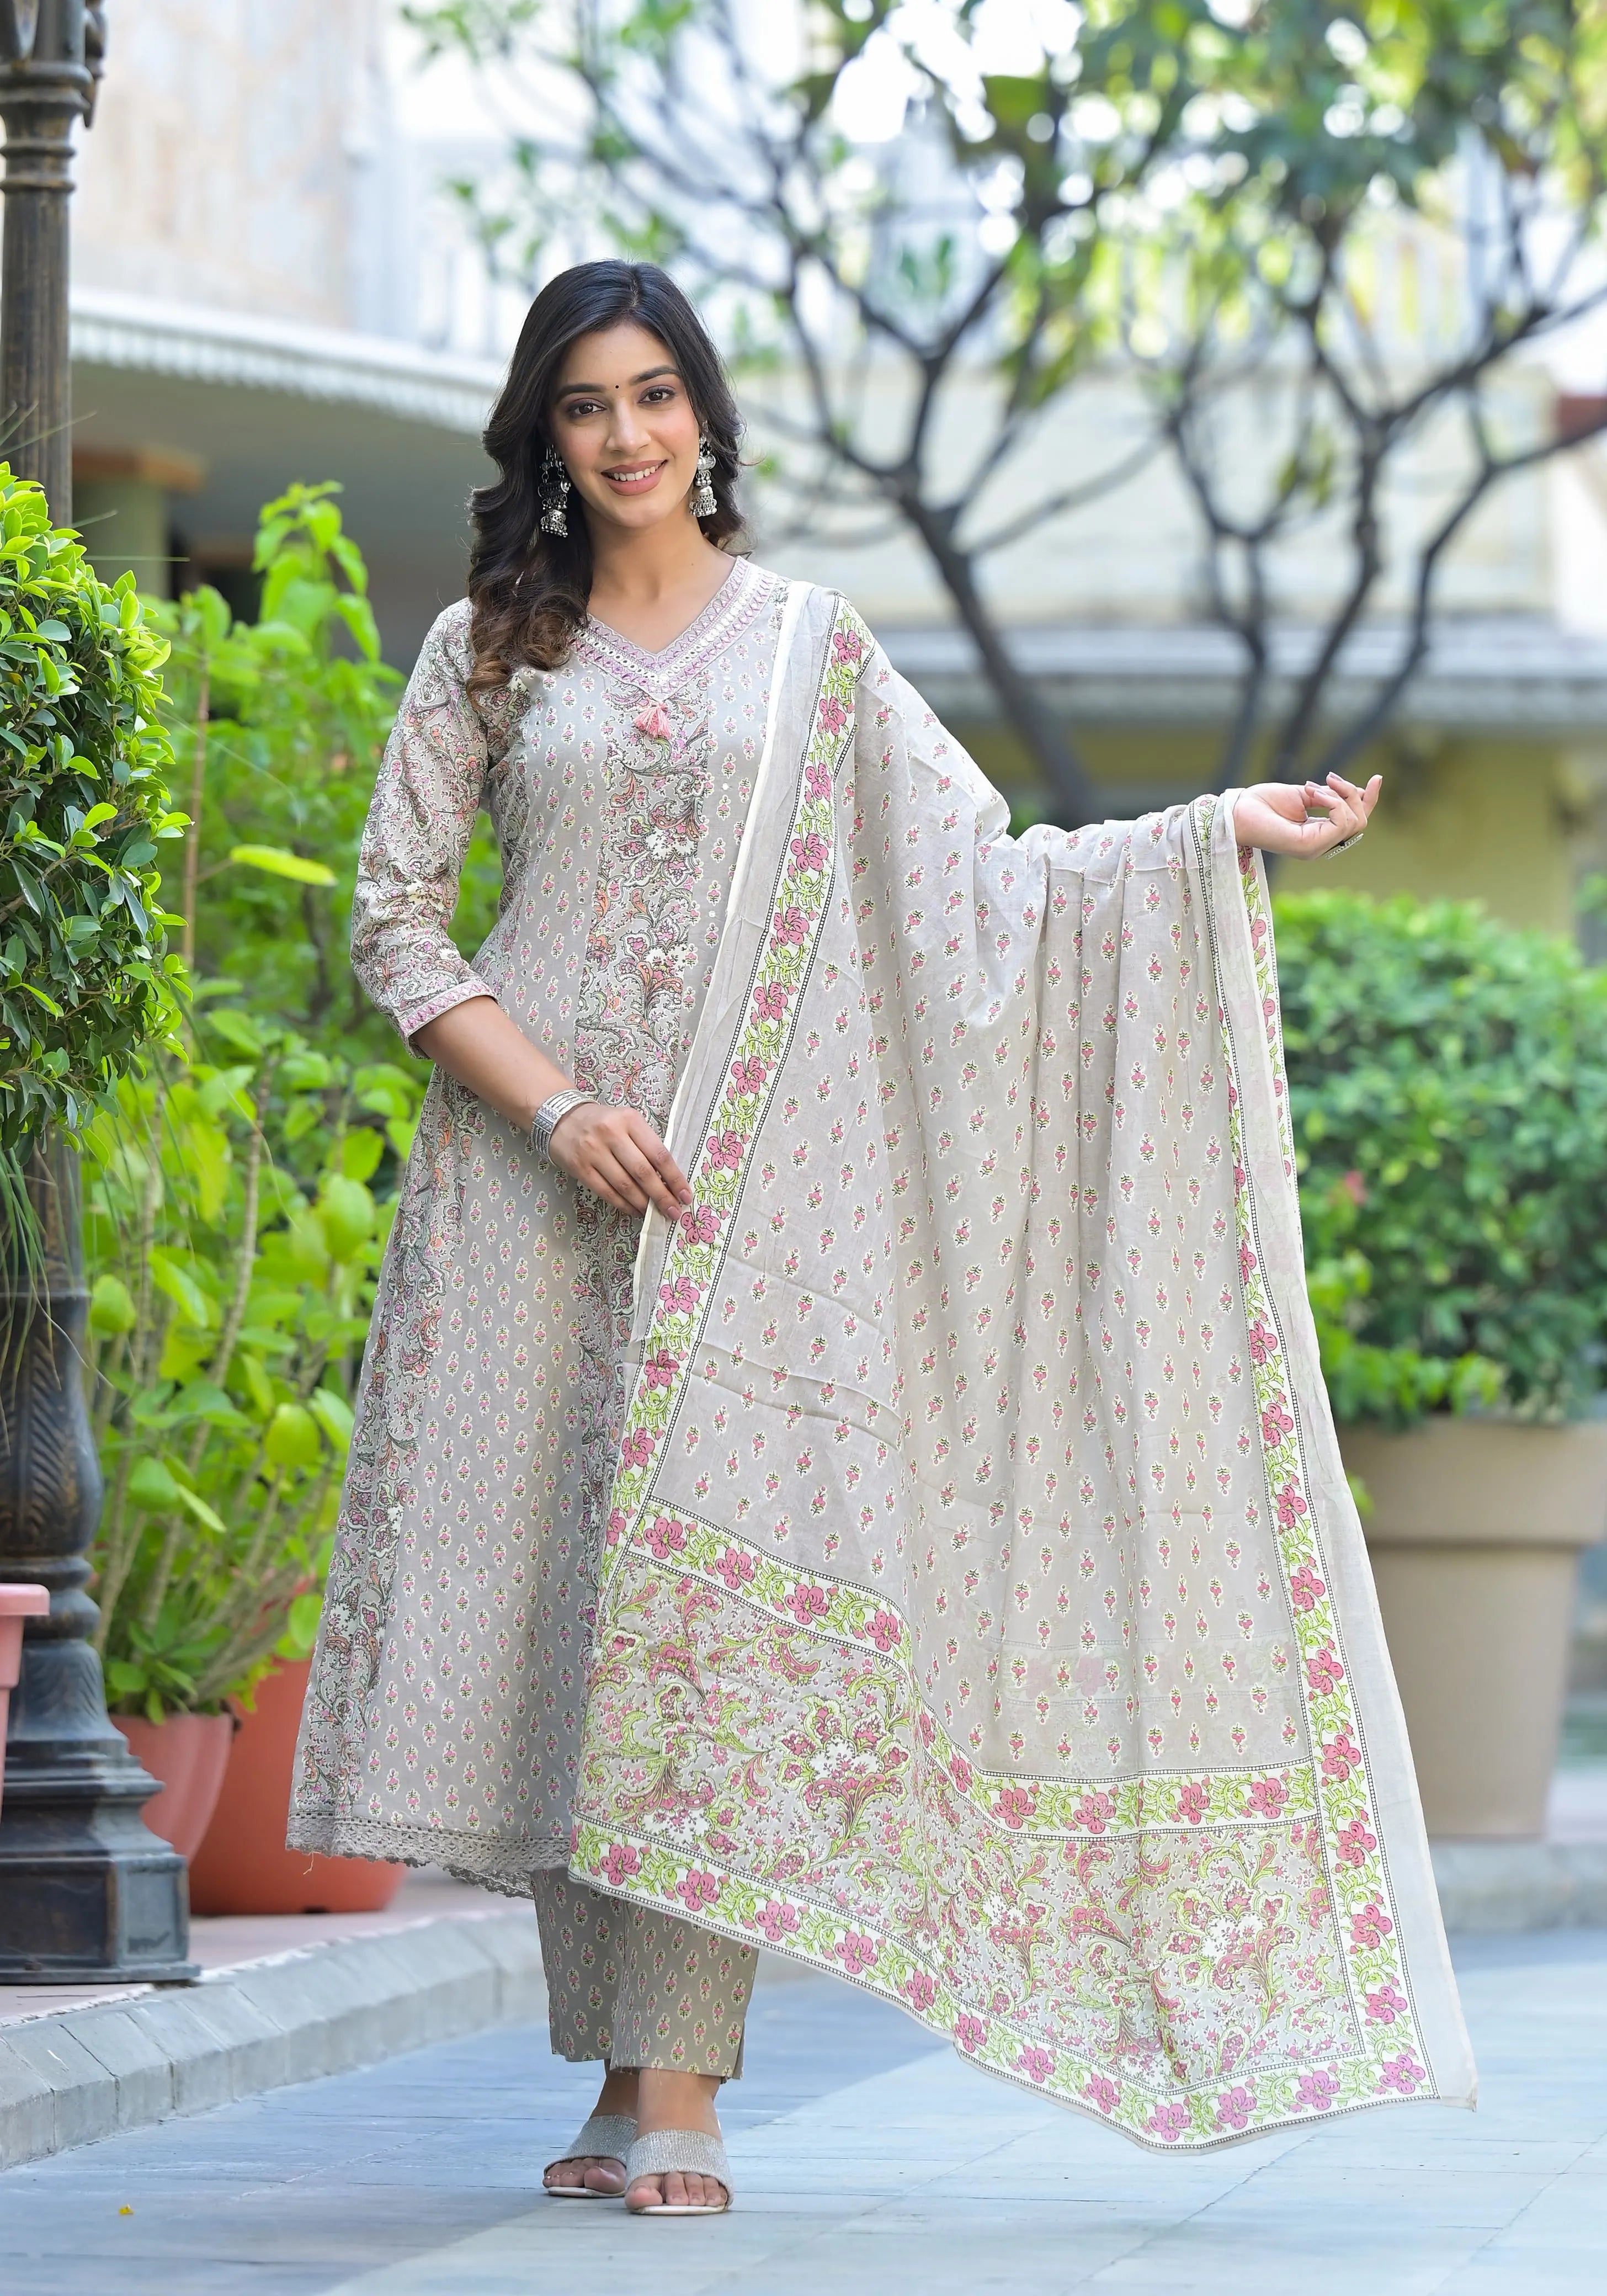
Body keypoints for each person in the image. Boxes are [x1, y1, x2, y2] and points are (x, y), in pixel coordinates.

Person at [291, 261, 1473, 2217]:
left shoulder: (815, 654)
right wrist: (561, 1107)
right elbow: (398, 924)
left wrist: (1209, 838)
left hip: (749, 1203)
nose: (628, 435)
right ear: (547, 440)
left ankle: (682, 2094)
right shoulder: (489, 652)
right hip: (527, 1188)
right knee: (578, 1622)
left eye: (657, 395)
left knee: (701, 1623)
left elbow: (982, 884)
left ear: (707, 417)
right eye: (587, 405)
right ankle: (616, 2078)